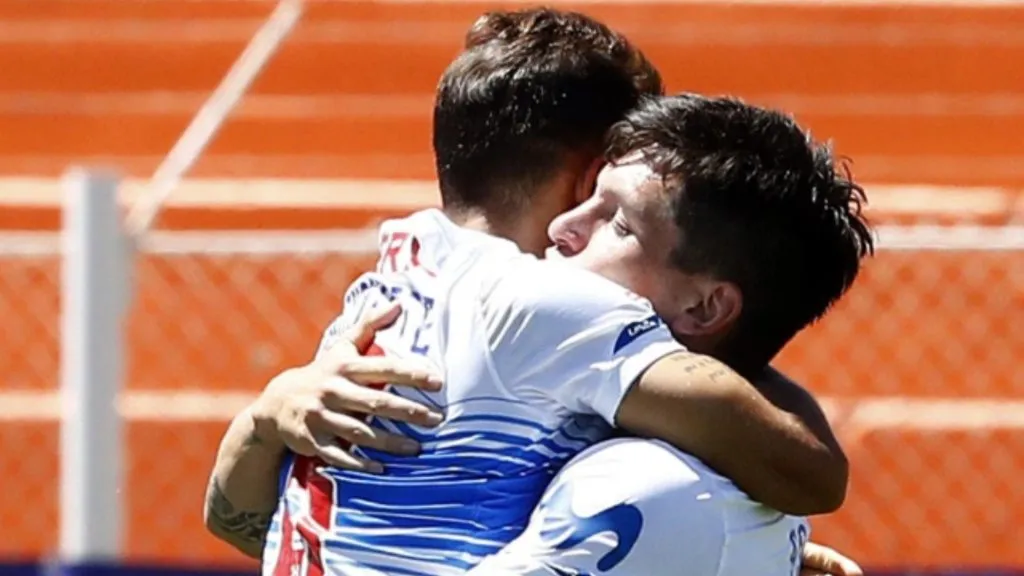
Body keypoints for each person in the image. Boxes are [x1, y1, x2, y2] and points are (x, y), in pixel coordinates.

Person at [203, 8, 863, 575]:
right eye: (606, 191)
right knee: (654, 488)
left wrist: (263, 419)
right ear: (584, 172)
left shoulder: (390, 282)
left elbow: (240, 523)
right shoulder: (552, 307)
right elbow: (811, 474)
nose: (568, 230)